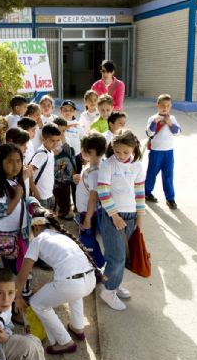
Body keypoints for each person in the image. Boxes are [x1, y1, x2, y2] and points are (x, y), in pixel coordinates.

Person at [14, 207, 99, 355]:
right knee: (74, 291)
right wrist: (45, 288)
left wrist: (18, 297)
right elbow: (67, 271)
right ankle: (77, 327)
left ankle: (65, 341)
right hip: (90, 281)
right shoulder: (62, 236)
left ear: (36, 227)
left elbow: (23, 274)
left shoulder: (38, 240)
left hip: (72, 285)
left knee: (37, 304)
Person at [97, 130, 145, 311]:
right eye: (117, 151)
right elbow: (103, 192)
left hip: (131, 216)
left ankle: (113, 284)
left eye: (126, 152)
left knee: (121, 255)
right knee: (116, 256)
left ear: (133, 148)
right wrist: (115, 216)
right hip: (112, 217)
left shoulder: (138, 166)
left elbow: (140, 193)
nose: (121, 155)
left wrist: (140, 217)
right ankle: (108, 291)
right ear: (112, 148)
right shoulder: (107, 164)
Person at [0, 144, 33, 274]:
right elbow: (1, 212)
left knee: (23, 264)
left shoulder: (15, 180)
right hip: (8, 235)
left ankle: (23, 288)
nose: (15, 166)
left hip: (22, 231)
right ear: (0, 162)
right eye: (9, 161)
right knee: (11, 267)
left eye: (18, 161)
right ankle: (13, 290)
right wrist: (17, 197)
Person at [74, 133, 107, 269]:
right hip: (88, 211)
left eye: (83, 149)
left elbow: (93, 197)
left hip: (89, 213)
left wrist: (87, 218)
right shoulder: (92, 166)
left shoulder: (95, 172)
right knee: (89, 239)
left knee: (88, 240)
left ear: (92, 152)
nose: (81, 151)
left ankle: (93, 266)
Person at [145, 93, 182, 210]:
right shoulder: (152, 118)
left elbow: (178, 132)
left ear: (170, 106)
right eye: (162, 105)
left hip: (168, 151)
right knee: (151, 173)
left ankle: (170, 198)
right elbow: (149, 133)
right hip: (156, 151)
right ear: (157, 105)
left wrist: (170, 124)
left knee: (168, 175)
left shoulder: (172, 118)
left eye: (167, 105)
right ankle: (147, 192)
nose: (165, 108)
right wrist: (154, 123)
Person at [29, 124, 61, 211]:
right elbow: (29, 173)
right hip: (41, 196)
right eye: (52, 141)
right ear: (43, 138)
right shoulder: (42, 154)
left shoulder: (50, 152)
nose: (55, 144)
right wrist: (35, 191)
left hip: (49, 194)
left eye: (57, 141)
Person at [52, 117, 77, 220]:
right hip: (56, 172)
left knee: (65, 191)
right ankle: (57, 210)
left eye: (63, 131)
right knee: (56, 191)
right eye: (58, 131)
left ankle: (66, 211)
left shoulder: (66, 139)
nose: (61, 133)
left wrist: (63, 139)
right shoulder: (52, 140)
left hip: (66, 172)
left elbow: (69, 152)